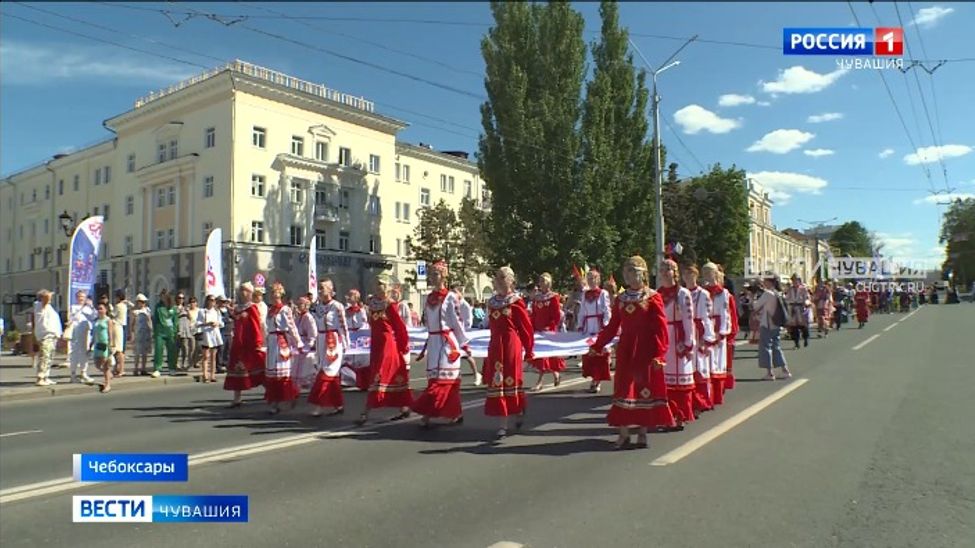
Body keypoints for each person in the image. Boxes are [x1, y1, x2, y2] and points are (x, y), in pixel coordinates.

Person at [590, 256, 676, 450]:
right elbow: (612, 326)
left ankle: (643, 433)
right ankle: (623, 434)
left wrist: (660, 354)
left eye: (633, 272)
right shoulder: (620, 299)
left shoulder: (653, 297)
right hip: (626, 348)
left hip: (645, 349)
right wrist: (598, 345)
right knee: (623, 388)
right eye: (626, 272)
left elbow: (661, 328)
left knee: (643, 389)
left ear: (642, 274)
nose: (629, 276)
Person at [412, 261, 471, 427]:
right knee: (435, 379)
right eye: (431, 274)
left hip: (446, 342)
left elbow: (457, 321)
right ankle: (454, 413)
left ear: (444, 276)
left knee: (445, 381)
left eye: (436, 274)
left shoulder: (450, 297)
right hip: (433, 342)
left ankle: (427, 413)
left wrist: (464, 343)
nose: (432, 277)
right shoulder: (429, 297)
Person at [355, 275, 413, 425]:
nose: (378, 286)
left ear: (386, 287)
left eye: (381, 284)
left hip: (387, 345)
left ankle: (365, 412)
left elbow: (399, 327)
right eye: (376, 283)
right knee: (390, 377)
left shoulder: (389, 305)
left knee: (379, 375)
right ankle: (404, 408)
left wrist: (403, 345)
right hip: (376, 343)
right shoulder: (371, 302)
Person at [484, 266, 534, 439]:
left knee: (511, 379)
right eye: (497, 277)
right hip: (496, 346)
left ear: (511, 280)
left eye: (503, 277)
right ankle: (503, 423)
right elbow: (489, 325)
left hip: (511, 344)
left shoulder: (516, 302)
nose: (499, 280)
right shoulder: (491, 303)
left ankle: (518, 408)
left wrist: (529, 349)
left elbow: (525, 327)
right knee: (498, 382)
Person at [657, 259, 696, 427]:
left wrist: (689, 343)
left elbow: (688, 319)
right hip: (662, 339)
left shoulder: (683, 294)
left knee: (679, 380)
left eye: (669, 269)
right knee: (663, 380)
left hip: (678, 338)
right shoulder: (656, 294)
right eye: (662, 270)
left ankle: (680, 415)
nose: (665, 273)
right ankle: (666, 415)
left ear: (675, 273)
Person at [308, 279, 349, 417]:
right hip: (321, 341)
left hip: (333, 341)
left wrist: (346, 344)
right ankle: (338, 404)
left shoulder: (337, 306)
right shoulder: (317, 307)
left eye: (323, 288)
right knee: (330, 374)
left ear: (331, 290)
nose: (320, 290)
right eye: (319, 288)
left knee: (327, 373)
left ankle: (318, 405)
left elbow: (343, 326)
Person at [263, 282, 304, 414]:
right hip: (271, 342)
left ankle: (286, 397)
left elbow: (291, 327)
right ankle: (274, 400)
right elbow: (266, 327)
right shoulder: (270, 310)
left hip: (281, 342)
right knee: (272, 374)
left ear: (280, 294)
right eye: (271, 294)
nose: (273, 296)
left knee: (282, 373)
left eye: (275, 293)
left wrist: (298, 342)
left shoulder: (285, 309)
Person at [224, 282, 266, 408]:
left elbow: (256, 326)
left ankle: (270, 391)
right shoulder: (239, 308)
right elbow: (236, 321)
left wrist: (258, 342)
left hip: (249, 345)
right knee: (237, 371)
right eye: (241, 290)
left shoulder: (252, 308)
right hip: (238, 344)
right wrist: (232, 313)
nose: (243, 293)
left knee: (258, 369)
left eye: (246, 291)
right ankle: (237, 398)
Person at [683, 264, 716, 413]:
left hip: (699, 332)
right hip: (686, 331)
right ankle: (689, 401)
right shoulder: (681, 293)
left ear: (696, 276)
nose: (688, 277)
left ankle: (701, 401)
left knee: (700, 367)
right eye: (685, 275)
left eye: (691, 274)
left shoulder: (703, 294)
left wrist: (707, 338)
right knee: (687, 368)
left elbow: (707, 316)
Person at [701, 262, 732, 405]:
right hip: (705, 329)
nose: (707, 275)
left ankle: (717, 395)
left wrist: (723, 332)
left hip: (718, 331)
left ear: (715, 274)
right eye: (704, 272)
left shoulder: (724, 294)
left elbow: (727, 314)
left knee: (717, 363)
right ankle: (706, 396)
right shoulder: (701, 292)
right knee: (705, 364)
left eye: (709, 272)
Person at [577, 268, 612, 393]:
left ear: (598, 279)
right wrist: (580, 324)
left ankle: (597, 381)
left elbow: (607, 310)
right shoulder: (584, 294)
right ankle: (593, 378)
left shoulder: (603, 293)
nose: (591, 281)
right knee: (589, 354)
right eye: (589, 278)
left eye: (593, 278)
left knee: (599, 353)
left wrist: (606, 325)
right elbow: (582, 310)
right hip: (588, 326)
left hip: (598, 325)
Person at [529, 273, 564, 392]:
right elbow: (534, 314)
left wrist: (550, 327)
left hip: (549, 330)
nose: (541, 283)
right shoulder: (537, 298)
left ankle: (540, 382)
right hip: (538, 330)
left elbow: (556, 315)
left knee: (545, 355)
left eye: (544, 281)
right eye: (540, 281)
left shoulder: (553, 297)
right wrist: (532, 326)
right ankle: (556, 374)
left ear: (549, 283)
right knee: (543, 355)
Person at [755, 274, 791, 380]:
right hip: (777, 323)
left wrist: (752, 297)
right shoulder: (778, 293)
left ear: (769, 282)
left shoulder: (767, 294)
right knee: (777, 347)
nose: (763, 283)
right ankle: (785, 370)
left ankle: (770, 373)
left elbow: (755, 306)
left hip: (767, 323)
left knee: (765, 347)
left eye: (765, 281)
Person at [451, 282, 481, 385]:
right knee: (453, 355)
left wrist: (463, 329)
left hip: (462, 334)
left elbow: (468, 321)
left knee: (467, 355)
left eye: (455, 292)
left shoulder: (465, 305)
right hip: (453, 333)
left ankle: (476, 374)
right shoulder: (452, 303)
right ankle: (455, 376)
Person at [33, 289, 62, 386]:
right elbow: (45, 298)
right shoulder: (39, 305)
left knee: (50, 357)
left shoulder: (49, 307)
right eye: (49, 297)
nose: (50, 298)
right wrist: (48, 294)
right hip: (45, 336)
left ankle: (46, 376)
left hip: (52, 335)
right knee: (44, 356)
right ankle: (40, 377)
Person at [342, 289, 370, 389]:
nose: (349, 297)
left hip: (358, 336)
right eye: (348, 295)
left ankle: (362, 380)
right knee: (347, 358)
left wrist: (358, 333)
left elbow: (363, 323)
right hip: (349, 335)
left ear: (356, 298)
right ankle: (348, 380)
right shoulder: (345, 310)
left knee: (360, 360)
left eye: (351, 295)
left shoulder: (361, 310)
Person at [67, 290, 96, 384]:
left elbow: (94, 317)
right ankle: (73, 374)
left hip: (86, 332)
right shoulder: (73, 307)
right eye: (80, 296)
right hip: (76, 333)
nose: (81, 299)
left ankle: (84, 373)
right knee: (75, 353)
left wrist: (91, 306)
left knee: (85, 353)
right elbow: (72, 318)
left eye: (83, 297)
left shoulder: (89, 308)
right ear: (76, 297)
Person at [151, 290, 179, 378]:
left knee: (171, 351)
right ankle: (157, 368)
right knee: (158, 350)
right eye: (160, 296)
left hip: (170, 332)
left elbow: (175, 320)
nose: (161, 298)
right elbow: (155, 320)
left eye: (163, 296)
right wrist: (154, 331)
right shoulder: (158, 307)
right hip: (160, 331)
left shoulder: (173, 308)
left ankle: (172, 368)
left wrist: (175, 331)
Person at [90, 302, 116, 393]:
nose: (99, 310)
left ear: (106, 310)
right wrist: (91, 344)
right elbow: (94, 333)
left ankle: (107, 384)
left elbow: (110, 333)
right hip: (98, 344)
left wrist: (111, 344)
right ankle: (109, 374)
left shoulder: (108, 320)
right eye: (98, 309)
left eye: (101, 308)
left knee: (105, 365)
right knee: (97, 364)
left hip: (105, 343)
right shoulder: (96, 320)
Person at [197, 295, 224, 383]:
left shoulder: (216, 311)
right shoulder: (202, 311)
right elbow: (198, 323)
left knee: (213, 356)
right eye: (210, 300)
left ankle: (212, 375)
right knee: (205, 356)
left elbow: (221, 323)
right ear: (207, 301)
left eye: (213, 300)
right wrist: (207, 323)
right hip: (206, 334)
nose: (212, 302)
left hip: (214, 334)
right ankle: (205, 374)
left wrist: (217, 324)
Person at [293, 296, 318, 390]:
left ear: (307, 305)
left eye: (301, 304)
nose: (298, 306)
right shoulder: (299, 317)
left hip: (306, 346)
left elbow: (313, 333)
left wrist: (309, 345)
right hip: (298, 345)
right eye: (298, 304)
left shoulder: (308, 317)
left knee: (307, 368)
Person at [786, 274, 812, 349]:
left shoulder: (803, 289)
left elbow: (807, 297)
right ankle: (796, 343)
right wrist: (788, 302)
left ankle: (806, 338)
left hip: (801, 308)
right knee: (794, 327)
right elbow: (787, 298)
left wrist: (806, 303)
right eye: (793, 280)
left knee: (803, 325)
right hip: (793, 308)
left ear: (799, 281)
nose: (794, 282)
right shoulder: (790, 289)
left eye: (796, 280)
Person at [131, 294, 153, 376]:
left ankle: (143, 368)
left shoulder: (147, 310)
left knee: (145, 352)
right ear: (137, 302)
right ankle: (136, 369)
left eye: (144, 302)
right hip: (138, 332)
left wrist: (151, 330)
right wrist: (132, 334)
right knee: (137, 352)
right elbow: (132, 324)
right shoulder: (135, 311)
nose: (143, 304)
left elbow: (149, 320)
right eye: (141, 302)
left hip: (146, 332)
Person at [112, 290, 131, 376]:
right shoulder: (124, 305)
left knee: (118, 350)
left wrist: (109, 309)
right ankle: (118, 368)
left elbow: (112, 315)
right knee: (119, 350)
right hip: (122, 327)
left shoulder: (118, 306)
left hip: (117, 326)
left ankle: (121, 369)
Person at [217, 297, 234, 373]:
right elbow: (220, 320)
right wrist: (227, 320)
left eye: (225, 302)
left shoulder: (228, 310)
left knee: (228, 349)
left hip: (229, 332)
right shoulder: (217, 311)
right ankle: (219, 366)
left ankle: (226, 364)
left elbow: (233, 317)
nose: (224, 303)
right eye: (222, 302)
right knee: (221, 349)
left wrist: (230, 309)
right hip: (221, 332)